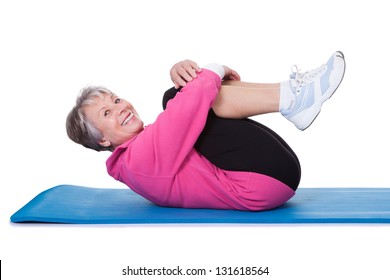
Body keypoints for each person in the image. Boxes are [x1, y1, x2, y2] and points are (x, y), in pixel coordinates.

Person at [66, 51, 346, 211]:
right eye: (107, 113)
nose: (120, 108)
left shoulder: (140, 152)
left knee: (182, 96)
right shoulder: (138, 161)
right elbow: (185, 110)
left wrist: (195, 76)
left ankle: (292, 97)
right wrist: (214, 69)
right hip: (261, 182)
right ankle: (294, 99)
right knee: (178, 99)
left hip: (267, 176)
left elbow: (187, 108)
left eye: (116, 100)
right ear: (102, 139)